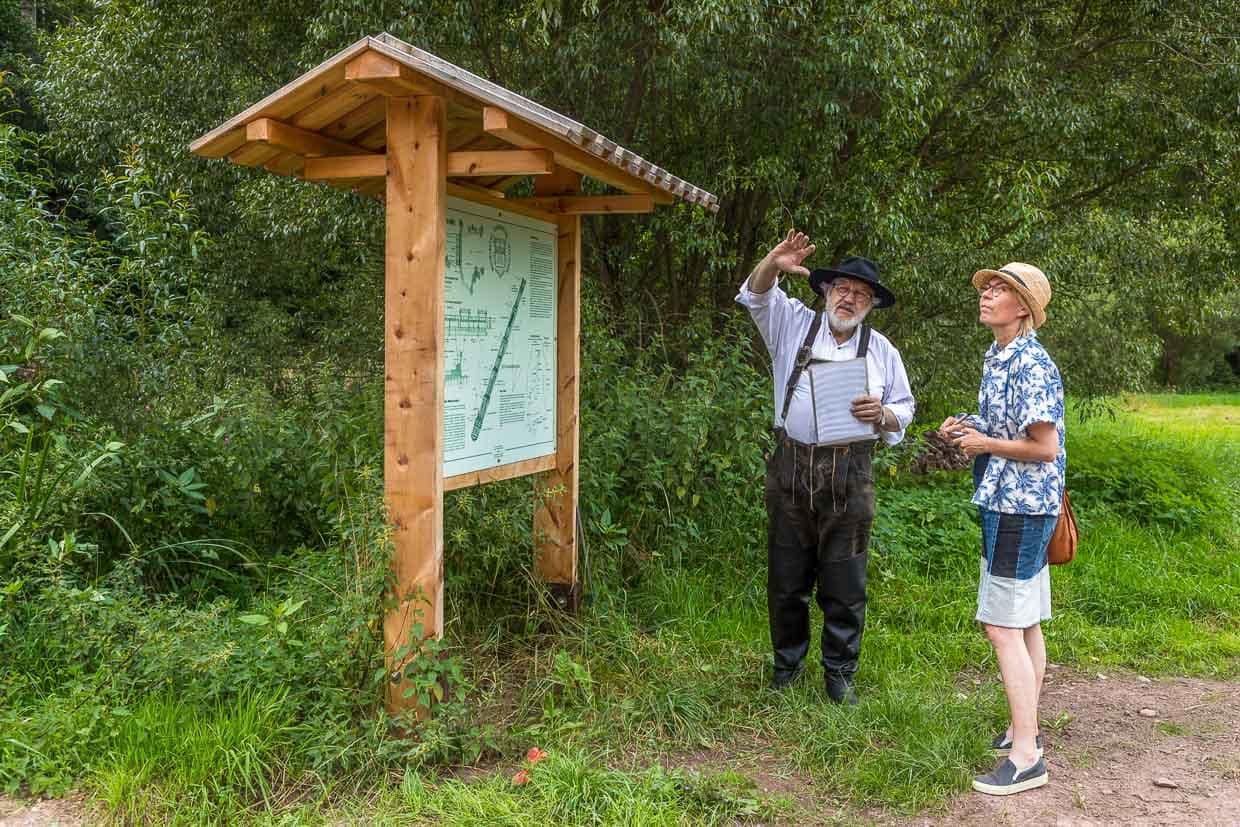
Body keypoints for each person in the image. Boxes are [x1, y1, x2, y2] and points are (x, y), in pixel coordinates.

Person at [736, 230, 915, 704]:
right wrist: (772, 261)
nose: (849, 298)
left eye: (861, 294)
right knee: (786, 577)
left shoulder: (883, 351)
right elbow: (756, 294)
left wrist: (883, 414)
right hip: (791, 465)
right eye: (842, 288)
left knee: (845, 581)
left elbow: (905, 408)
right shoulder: (792, 324)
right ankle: (786, 668)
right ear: (826, 291)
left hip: (851, 473)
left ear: (871, 305)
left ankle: (840, 675)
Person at [939, 262, 1064, 796]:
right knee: (1025, 621)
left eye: (1000, 289)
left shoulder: (1031, 363)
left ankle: (1026, 757)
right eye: (987, 287)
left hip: (1021, 506)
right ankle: (1022, 728)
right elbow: (1007, 426)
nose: (987, 294)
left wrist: (985, 444)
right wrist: (967, 428)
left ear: (1023, 308)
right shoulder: (999, 356)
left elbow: (1045, 448)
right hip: (1006, 501)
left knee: (1001, 627)